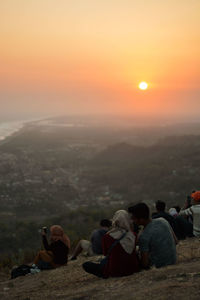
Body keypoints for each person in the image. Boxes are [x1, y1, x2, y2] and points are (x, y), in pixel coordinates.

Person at [82, 210, 139, 278]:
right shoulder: (133, 235)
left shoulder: (107, 236)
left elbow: (105, 254)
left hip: (114, 271)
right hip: (133, 269)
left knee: (86, 265)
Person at [128, 203, 177, 269]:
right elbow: (176, 241)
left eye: (133, 218)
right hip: (173, 261)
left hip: (158, 266)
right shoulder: (163, 221)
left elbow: (145, 263)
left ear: (141, 219)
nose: (132, 221)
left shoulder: (144, 236)